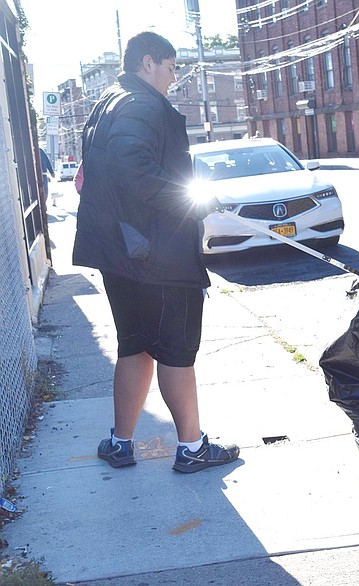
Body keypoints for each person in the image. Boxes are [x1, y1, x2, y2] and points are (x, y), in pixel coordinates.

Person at [72, 31, 239, 473]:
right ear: (148, 63)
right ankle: (191, 447)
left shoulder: (108, 101)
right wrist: (194, 199)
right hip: (158, 255)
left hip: (122, 252)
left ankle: (121, 443)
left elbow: (100, 171)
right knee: (175, 352)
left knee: (136, 346)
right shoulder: (141, 103)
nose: (173, 75)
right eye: (171, 66)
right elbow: (133, 169)